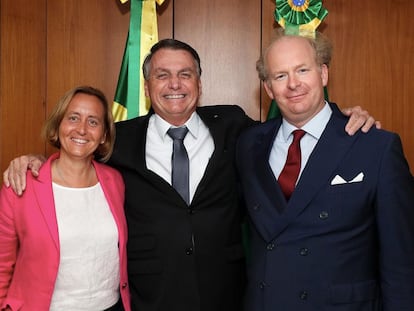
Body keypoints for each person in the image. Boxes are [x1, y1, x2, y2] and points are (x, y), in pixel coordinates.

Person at [2, 39, 378, 311]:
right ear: (148, 86)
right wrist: (34, 160)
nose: (175, 84)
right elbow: (78, 152)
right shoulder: (120, 139)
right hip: (152, 298)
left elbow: (293, 124)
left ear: (199, 83)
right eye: (162, 75)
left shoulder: (235, 127)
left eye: (185, 74)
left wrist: (341, 117)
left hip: (226, 296)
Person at [236, 28, 414, 311]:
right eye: (280, 76)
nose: (293, 84)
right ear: (268, 88)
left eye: (303, 70)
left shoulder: (376, 146)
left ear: (323, 74)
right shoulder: (248, 145)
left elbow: (402, 260)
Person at [0, 86, 131, 311]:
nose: (81, 129)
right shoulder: (21, 185)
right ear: (58, 125)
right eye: (73, 118)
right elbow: (2, 265)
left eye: (93, 122)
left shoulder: (115, 181)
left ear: (104, 136)